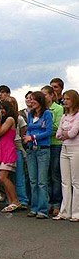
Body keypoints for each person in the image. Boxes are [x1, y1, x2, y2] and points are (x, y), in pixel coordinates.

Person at [23, 91, 53, 219]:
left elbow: (49, 131)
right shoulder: (30, 114)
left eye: (34, 99)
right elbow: (29, 128)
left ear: (40, 101)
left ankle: (42, 209)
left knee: (42, 181)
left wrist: (34, 137)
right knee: (33, 180)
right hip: (31, 150)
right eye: (30, 99)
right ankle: (34, 208)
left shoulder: (47, 114)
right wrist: (27, 137)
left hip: (42, 149)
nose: (32, 101)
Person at [54, 90, 79, 221]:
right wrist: (64, 133)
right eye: (64, 99)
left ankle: (76, 212)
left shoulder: (78, 115)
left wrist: (65, 133)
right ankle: (65, 211)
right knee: (65, 181)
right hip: (64, 149)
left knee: (76, 182)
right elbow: (58, 133)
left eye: (68, 99)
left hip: (76, 149)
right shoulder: (64, 116)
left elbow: (73, 133)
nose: (65, 101)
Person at [41, 85, 64, 215]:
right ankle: (48, 201)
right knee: (47, 174)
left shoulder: (58, 109)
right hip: (45, 144)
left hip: (55, 144)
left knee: (55, 174)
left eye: (45, 95)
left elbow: (56, 126)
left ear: (51, 95)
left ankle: (57, 202)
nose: (43, 97)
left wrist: (44, 129)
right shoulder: (41, 109)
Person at [0, 101, 20, 212]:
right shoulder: (6, 120)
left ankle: (15, 201)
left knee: (3, 177)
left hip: (8, 149)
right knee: (4, 178)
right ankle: (10, 202)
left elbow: (0, 132)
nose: (1, 111)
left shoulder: (10, 119)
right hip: (3, 149)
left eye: (3, 108)